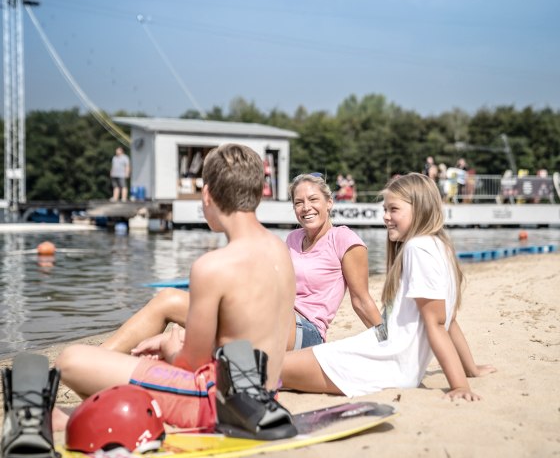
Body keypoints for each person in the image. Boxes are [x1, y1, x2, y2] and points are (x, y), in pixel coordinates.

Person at [53, 143, 297, 431]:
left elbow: (191, 364)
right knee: (77, 401)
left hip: (216, 401)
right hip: (262, 395)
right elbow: (263, 336)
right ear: (259, 192)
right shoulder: (280, 251)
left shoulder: (213, 266)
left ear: (207, 195)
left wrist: (170, 349)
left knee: (70, 360)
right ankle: (80, 414)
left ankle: (79, 415)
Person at [101, 173, 385, 356]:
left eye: (313, 200)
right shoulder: (292, 238)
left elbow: (361, 301)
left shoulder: (344, 239)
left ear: (330, 202)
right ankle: (100, 357)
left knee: (213, 322)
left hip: (304, 332)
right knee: (168, 299)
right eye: (299, 202)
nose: (306, 208)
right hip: (270, 319)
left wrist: (390, 343)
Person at [281, 173, 496, 401]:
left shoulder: (418, 249)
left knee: (264, 368)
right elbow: (450, 319)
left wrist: (459, 386)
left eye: (393, 209)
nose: (385, 217)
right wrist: (470, 369)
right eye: (385, 209)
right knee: (265, 367)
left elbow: (437, 323)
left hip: (382, 362)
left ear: (420, 208)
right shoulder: (439, 247)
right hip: (374, 352)